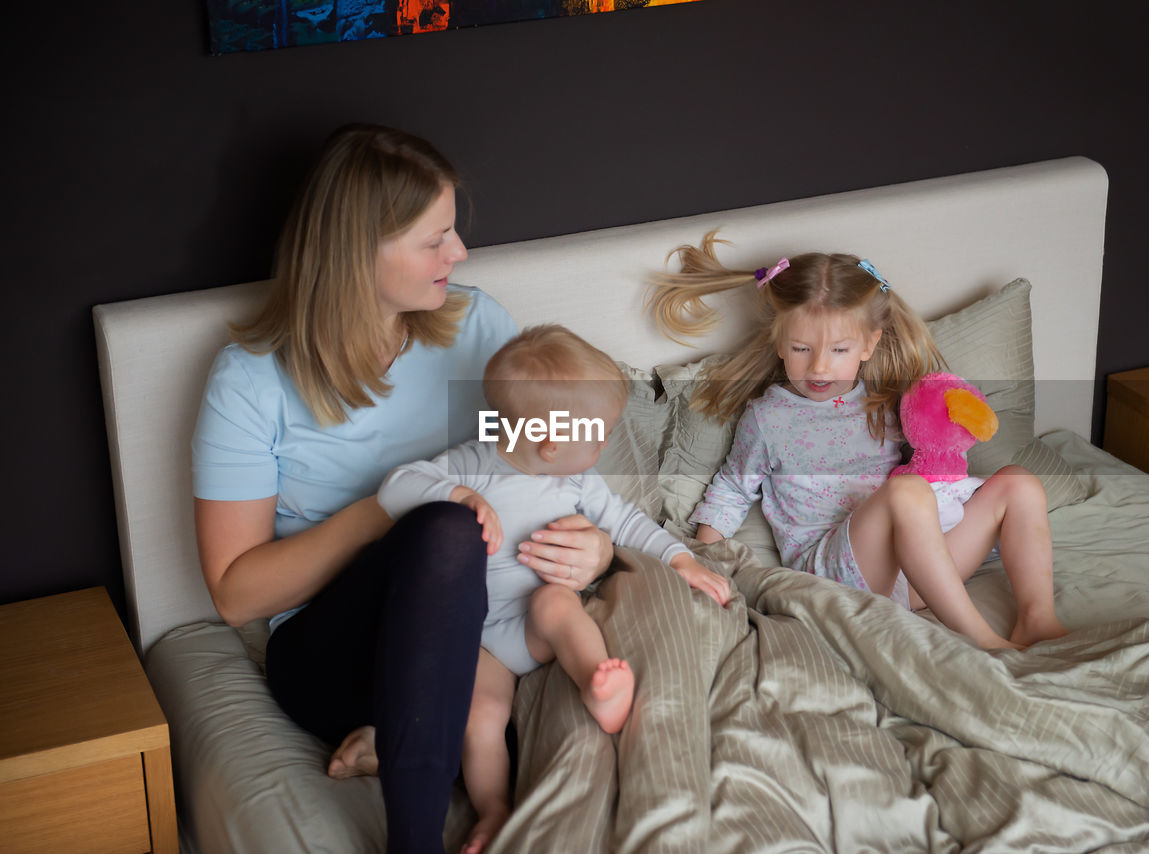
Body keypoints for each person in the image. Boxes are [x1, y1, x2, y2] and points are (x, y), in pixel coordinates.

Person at [190, 123, 618, 854]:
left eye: (454, 232)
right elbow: (234, 594)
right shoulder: (250, 381)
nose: (459, 254)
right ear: (359, 252)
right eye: (434, 240)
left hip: (479, 632)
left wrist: (598, 546)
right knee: (442, 528)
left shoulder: (479, 327)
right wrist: (387, 510)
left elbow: (554, 464)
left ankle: (404, 738)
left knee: (468, 558)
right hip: (332, 652)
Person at [379, 324, 731, 854]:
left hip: (535, 624)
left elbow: (628, 522)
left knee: (554, 602)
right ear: (550, 445)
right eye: (599, 435)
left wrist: (681, 558)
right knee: (480, 719)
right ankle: (494, 807)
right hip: (481, 640)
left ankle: (597, 682)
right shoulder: (473, 464)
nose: (607, 443)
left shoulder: (577, 482)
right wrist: (455, 494)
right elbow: (395, 486)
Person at [647, 231, 1068, 651]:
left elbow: (930, 455)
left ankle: (1037, 619)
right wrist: (700, 564)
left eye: (840, 350)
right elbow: (733, 490)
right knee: (905, 492)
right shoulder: (767, 418)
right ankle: (980, 637)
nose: (819, 366)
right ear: (779, 342)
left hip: (920, 570)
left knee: (1019, 482)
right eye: (801, 348)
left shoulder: (883, 401)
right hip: (837, 571)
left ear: (868, 345)